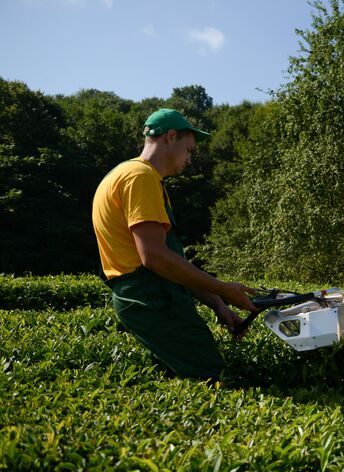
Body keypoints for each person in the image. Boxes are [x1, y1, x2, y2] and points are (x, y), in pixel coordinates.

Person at [92, 108, 258, 380]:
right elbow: (155, 257)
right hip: (153, 298)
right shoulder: (140, 177)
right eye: (190, 150)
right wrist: (226, 290)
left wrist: (217, 303)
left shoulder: (129, 174)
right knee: (214, 379)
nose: (190, 159)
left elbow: (171, 261)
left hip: (152, 296)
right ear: (171, 136)